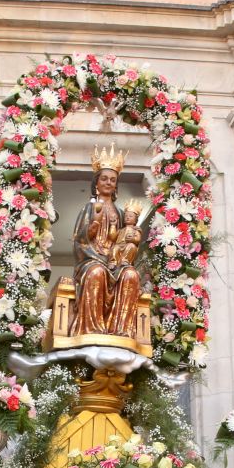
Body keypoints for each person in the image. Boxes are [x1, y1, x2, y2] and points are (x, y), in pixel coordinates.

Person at [70, 144, 142, 337]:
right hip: (92, 258)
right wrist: (93, 225)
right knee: (97, 272)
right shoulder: (88, 208)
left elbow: (127, 240)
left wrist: (129, 243)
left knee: (131, 275)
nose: (108, 183)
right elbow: (79, 240)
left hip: (116, 260)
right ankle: (92, 329)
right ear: (96, 183)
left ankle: (121, 330)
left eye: (113, 180)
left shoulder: (122, 213)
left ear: (116, 185)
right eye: (104, 179)